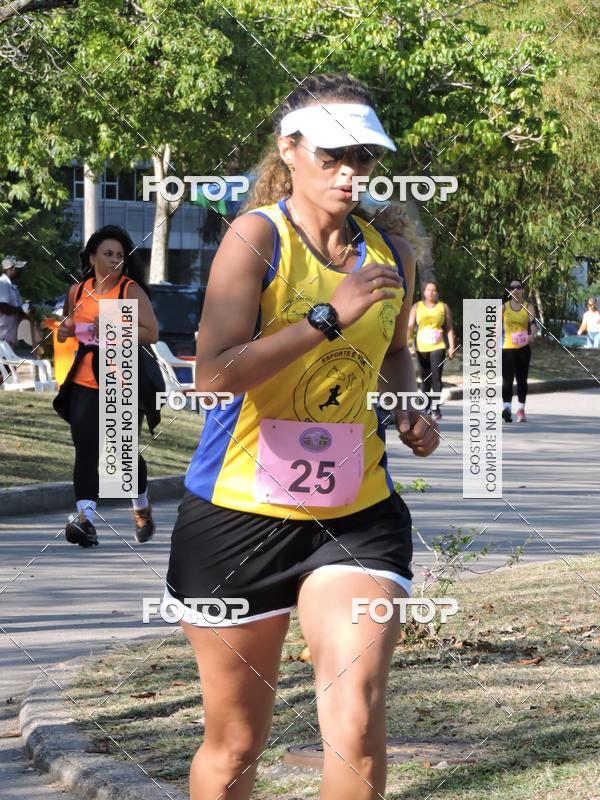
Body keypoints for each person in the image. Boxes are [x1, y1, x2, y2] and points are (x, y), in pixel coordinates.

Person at [163, 73, 439, 800]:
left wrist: (408, 405)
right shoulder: (256, 239)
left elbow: (396, 349)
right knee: (233, 749)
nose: (349, 172)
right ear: (290, 150)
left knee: (354, 722)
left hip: (355, 516)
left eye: (364, 157)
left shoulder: (393, 256)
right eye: (331, 155)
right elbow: (213, 377)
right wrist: (325, 317)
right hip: (237, 518)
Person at [53, 225, 162, 547]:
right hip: (85, 379)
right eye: (108, 254)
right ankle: (85, 520)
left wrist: (116, 326)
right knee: (86, 450)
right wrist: (64, 331)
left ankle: (140, 506)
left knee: (121, 456)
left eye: (119, 255)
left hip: (120, 377)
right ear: (92, 257)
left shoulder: (129, 290)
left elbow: (151, 334)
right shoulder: (77, 291)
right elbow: (72, 327)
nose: (114, 260)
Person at [407, 280, 456, 421]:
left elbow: (449, 328)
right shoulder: (417, 306)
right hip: (421, 347)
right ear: (424, 292)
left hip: (438, 346)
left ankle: (435, 407)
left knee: (436, 377)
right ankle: (425, 406)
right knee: (425, 378)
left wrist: (451, 346)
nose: (431, 292)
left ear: (437, 293)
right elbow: (410, 326)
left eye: (434, 290)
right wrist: (408, 344)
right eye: (428, 290)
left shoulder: (443, 307)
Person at [502, 279, 536, 423]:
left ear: (523, 290)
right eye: (512, 287)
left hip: (523, 349)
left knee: (522, 380)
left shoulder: (528, 306)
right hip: (508, 348)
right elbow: (496, 327)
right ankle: (507, 408)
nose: (516, 290)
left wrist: (532, 335)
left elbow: (533, 324)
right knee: (507, 380)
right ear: (509, 291)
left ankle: (521, 410)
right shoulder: (503, 307)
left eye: (519, 287)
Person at [0, 255, 30, 348]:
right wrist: (21, 309)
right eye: (18, 268)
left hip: (8, 338)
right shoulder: (2, 283)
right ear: (11, 268)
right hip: (2, 337)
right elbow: (3, 307)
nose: (20, 271)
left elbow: (15, 310)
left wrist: (27, 310)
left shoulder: (12, 286)